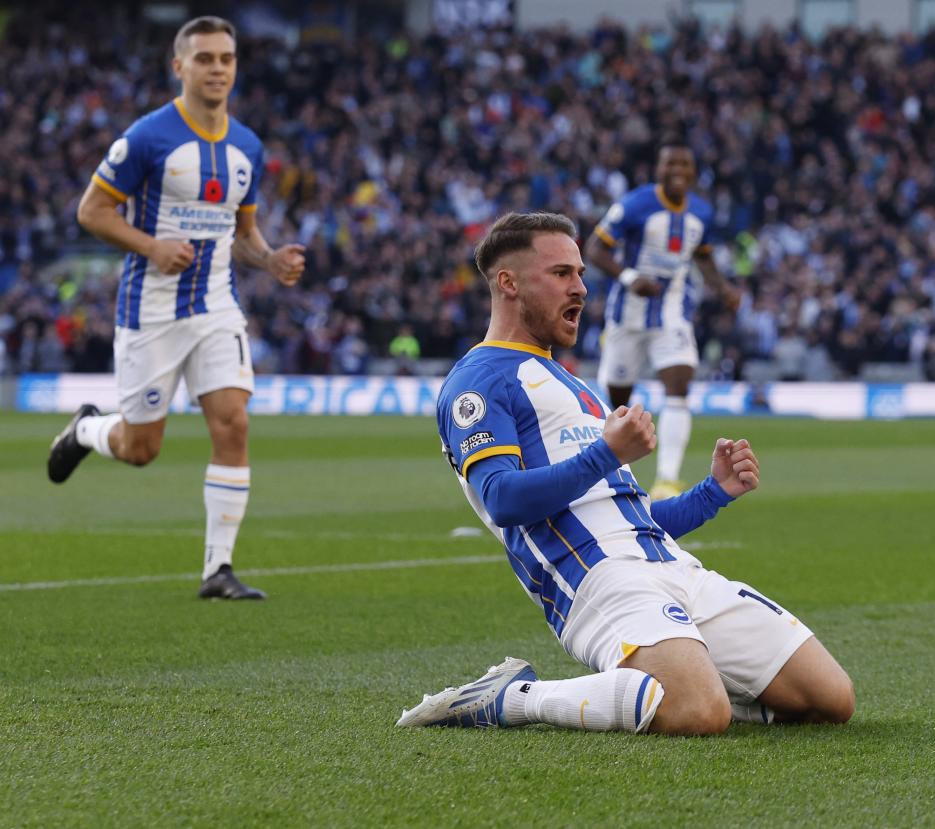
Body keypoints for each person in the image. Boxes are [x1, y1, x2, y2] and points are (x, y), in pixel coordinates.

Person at [398, 213, 853, 735]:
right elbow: (502, 499)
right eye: (562, 274)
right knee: (699, 714)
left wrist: (712, 493)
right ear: (509, 282)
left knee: (830, 699)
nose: (582, 289)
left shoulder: (571, 384)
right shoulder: (479, 382)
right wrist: (606, 454)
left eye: (581, 273)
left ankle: (679, 678)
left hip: (673, 567)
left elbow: (627, 517)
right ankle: (510, 698)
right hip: (598, 582)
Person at [46, 16, 305, 599]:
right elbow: (91, 211)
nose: (218, 68)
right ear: (179, 66)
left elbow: (240, 234)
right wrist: (152, 246)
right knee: (141, 449)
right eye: (206, 58)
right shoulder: (147, 138)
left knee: (233, 423)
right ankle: (88, 428)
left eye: (226, 59)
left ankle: (218, 569)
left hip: (217, 306)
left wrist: (270, 261)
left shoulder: (247, 147)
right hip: (151, 310)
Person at [585, 138, 740, 500]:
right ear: (658, 169)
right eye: (670, 165)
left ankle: (667, 480)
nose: (677, 172)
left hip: (672, 313)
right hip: (627, 314)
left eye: (684, 165)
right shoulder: (635, 205)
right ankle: (614, 473)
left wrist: (722, 288)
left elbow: (702, 256)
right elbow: (595, 248)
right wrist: (629, 277)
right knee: (618, 398)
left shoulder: (700, 212)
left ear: (693, 173)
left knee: (679, 385)